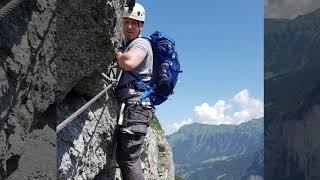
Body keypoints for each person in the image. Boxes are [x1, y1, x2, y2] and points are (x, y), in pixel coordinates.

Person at [115, 2, 154, 180]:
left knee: (129, 159)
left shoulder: (141, 44)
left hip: (137, 107)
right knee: (125, 158)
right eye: (126, 22)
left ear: (141, 26)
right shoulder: (130, 44)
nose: (129, 26)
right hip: (134, 107)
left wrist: (117, 54)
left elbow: (129, 63)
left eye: (134, 23)